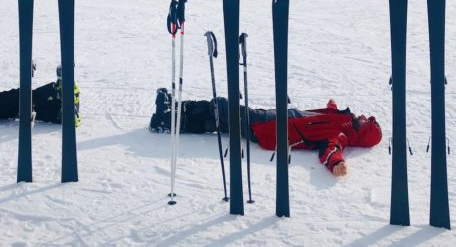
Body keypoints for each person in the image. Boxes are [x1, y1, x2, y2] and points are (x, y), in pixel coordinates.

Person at [149, 91, 382, 177]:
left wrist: (336, 164)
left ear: (362, 133)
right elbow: (323, 119)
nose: (364, 116)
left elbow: (330, 149)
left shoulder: (341, 135)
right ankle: (172, 116)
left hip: (271, 129)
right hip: (275, 119)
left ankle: (172, 115)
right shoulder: (343, 121)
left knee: (223, 108)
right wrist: (332, 107)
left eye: (367, 122)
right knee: (220, 120)